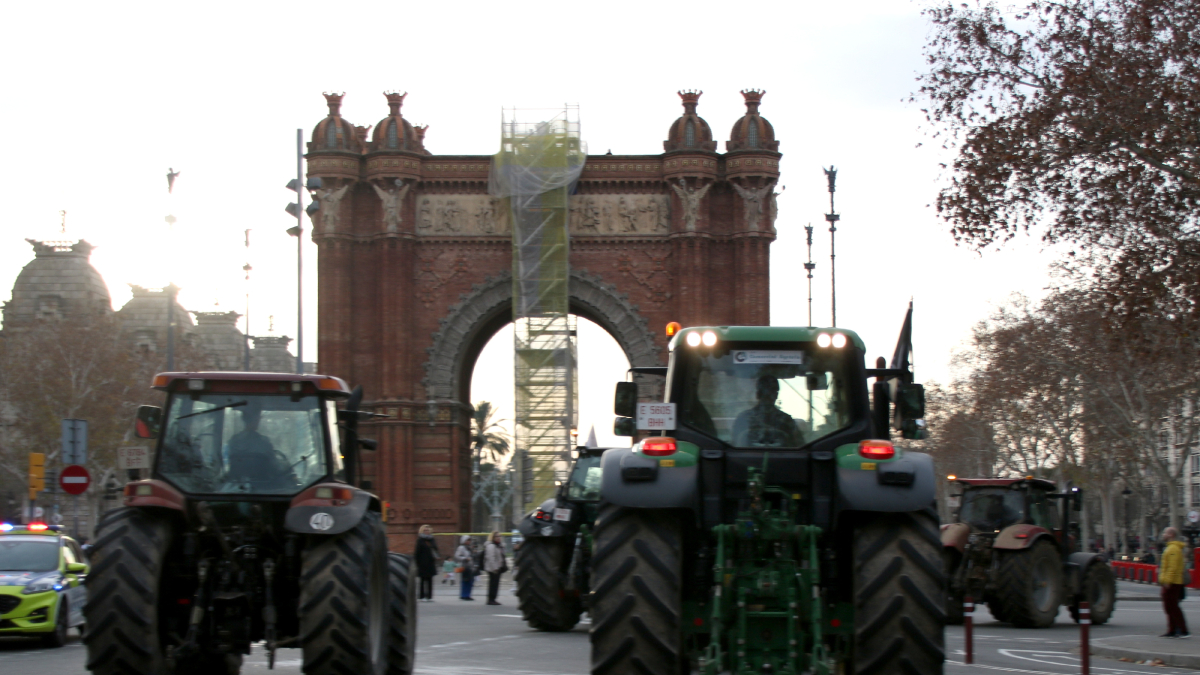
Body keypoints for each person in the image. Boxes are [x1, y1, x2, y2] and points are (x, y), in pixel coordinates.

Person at [226, 405, 295, 488]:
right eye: (258, 417)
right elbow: (274, 466)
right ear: (256, 419)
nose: (259, 420)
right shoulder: (263, 441)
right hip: (263, 486)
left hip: (237, 485)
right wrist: (285, 467)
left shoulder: (233, 441)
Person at [731, 375, 801, 447]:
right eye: (764, 393)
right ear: (758, 394)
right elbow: (735, 446)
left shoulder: (786, 420)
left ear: (776, 395)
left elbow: (798, 448)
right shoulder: (743, 419)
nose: (767, 396)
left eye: (771, 393)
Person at [1159, 527, 1190, 638]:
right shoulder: (1171, 548)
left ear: (1171, 534)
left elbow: (1172, 567)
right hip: (1171, 581)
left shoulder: (1173, 549)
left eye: (1165, 532)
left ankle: (1182, 630)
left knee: (1172, 607)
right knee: (1170, 607)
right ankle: (1172, 630)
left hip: (1172, 582)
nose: (1163, 534)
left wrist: (1167, 581)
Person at [414, 525, 440, 602]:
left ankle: (429, 596)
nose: (427, 531)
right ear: (422, 531)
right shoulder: (420, 540)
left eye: (428, 530)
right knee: (422, 580)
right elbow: (417, 552)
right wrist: (417, 563)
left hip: (430, 563)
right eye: (425, 530)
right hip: (422, 563)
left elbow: (435, 549)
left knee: (430, 580)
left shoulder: (432, 539)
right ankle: (422, 596)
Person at [483, 531, 508, 605]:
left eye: (500, 536)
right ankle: (491, 599)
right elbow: (491, 558)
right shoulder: (491, 546)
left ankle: (493, 598)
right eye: (497, 536)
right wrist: (495, 568)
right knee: (493, 584)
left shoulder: (499, 546)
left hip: (498, 567)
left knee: (496, 584)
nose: (499, 538)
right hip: (493, 568)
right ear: (493, 537)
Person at [455, 535, 476, 601]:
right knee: (466, 580)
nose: (468, 541)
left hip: (470, 566)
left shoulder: (469, 548)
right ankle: (464, 595)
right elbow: (457, 556)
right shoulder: (461, 547)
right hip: (464, 566)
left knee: (470, 581)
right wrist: (465, 558)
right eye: (467, 540)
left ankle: (467, 594)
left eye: (469, 540)